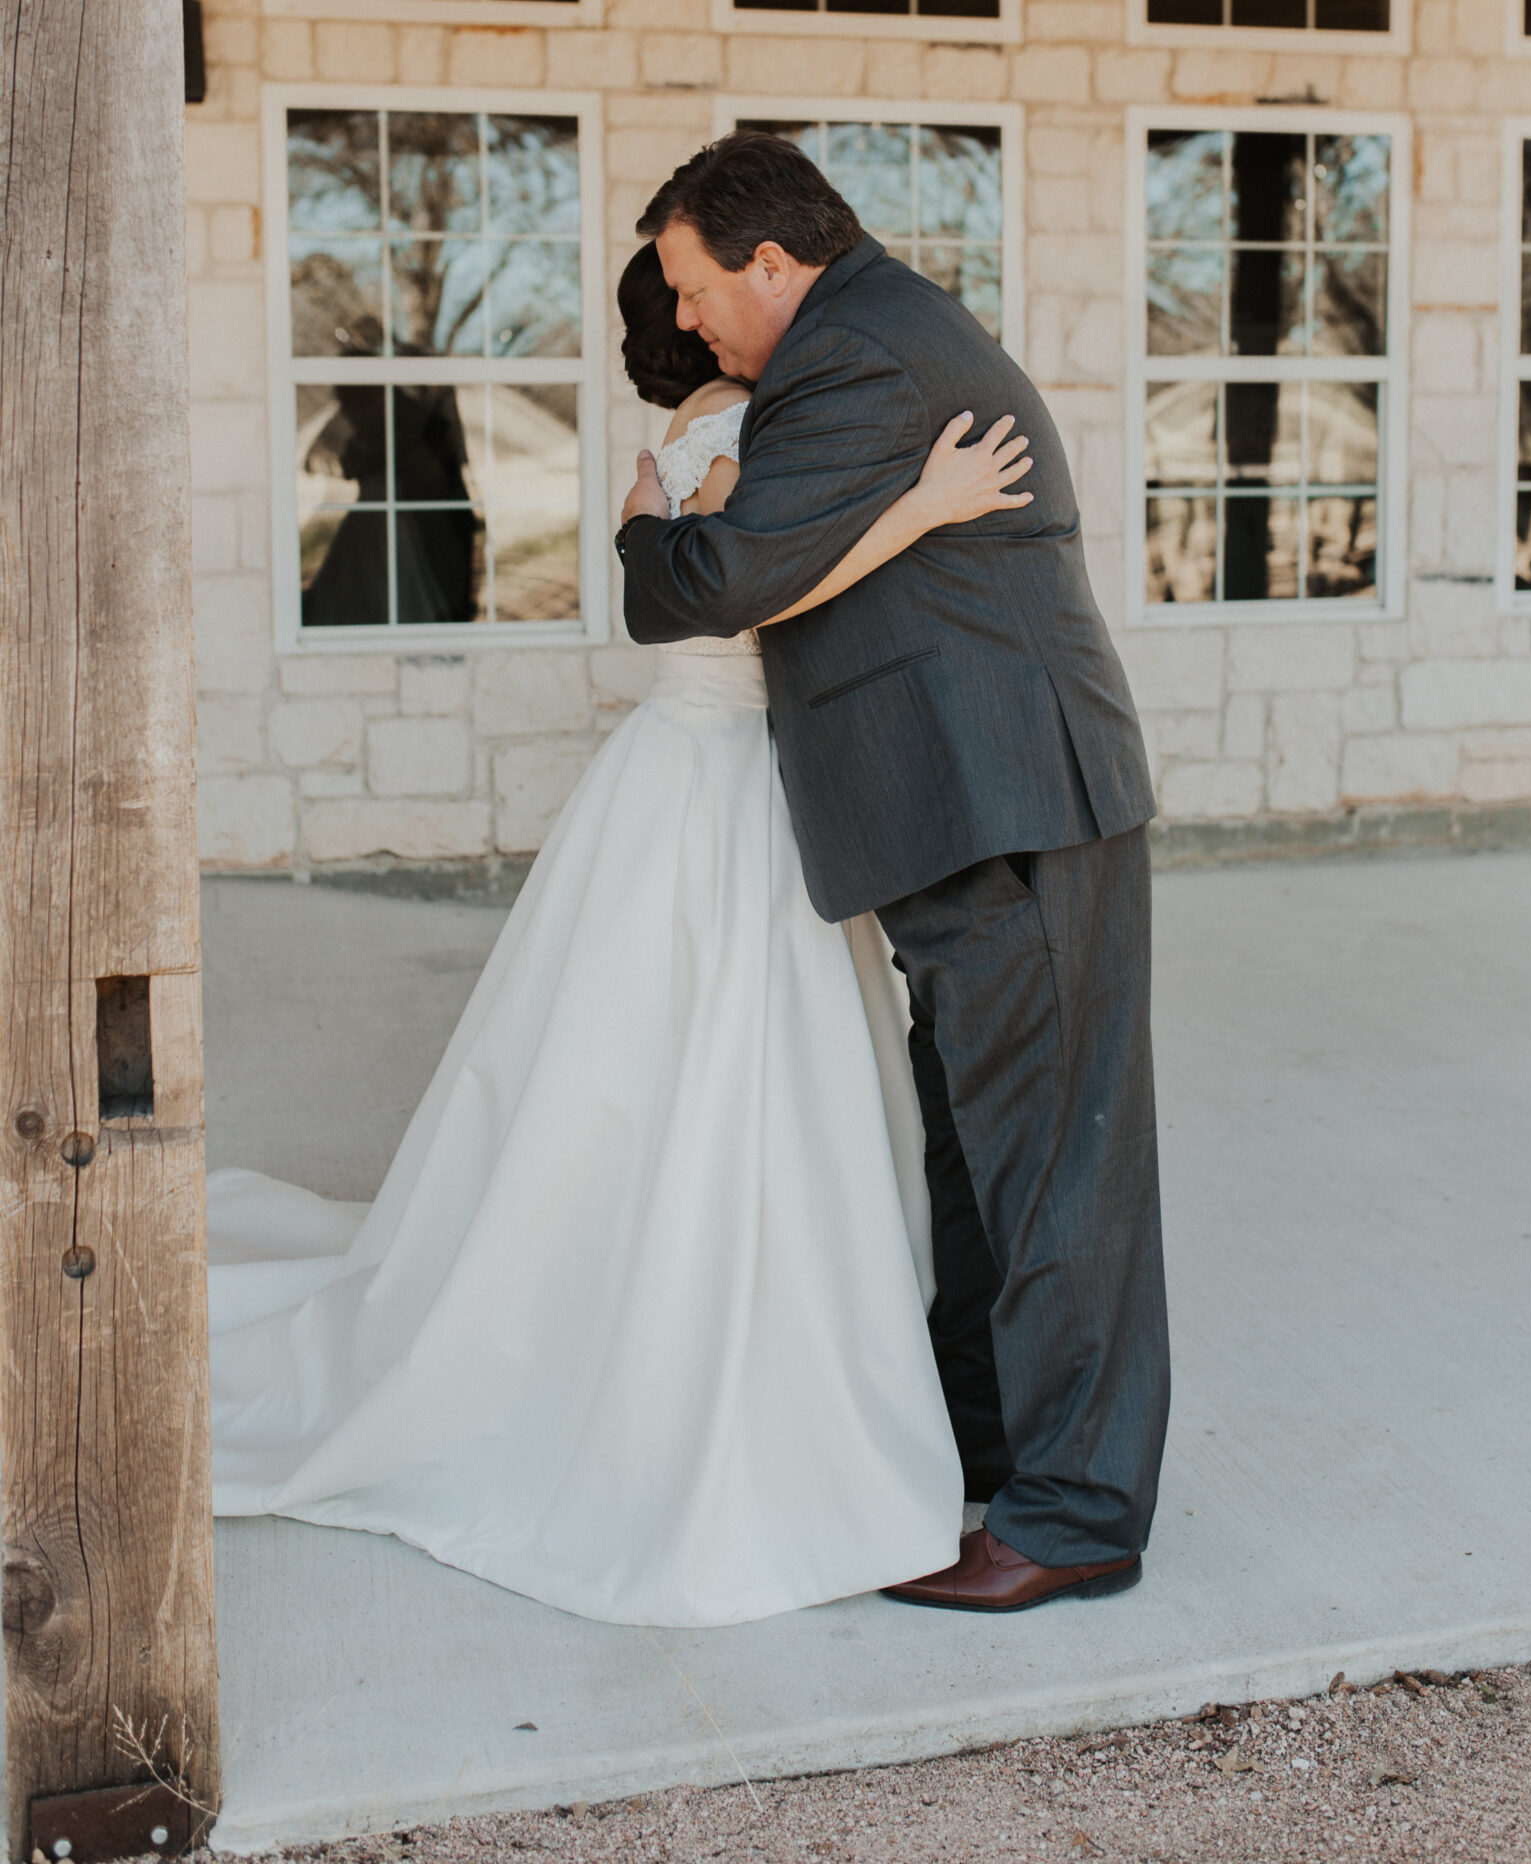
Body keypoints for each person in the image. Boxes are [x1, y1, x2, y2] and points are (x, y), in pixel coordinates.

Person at [203, 241, 1033, 1629]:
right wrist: (927, 502)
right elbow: (756, 582)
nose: (737, 319)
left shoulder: (713, 429)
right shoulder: (726, 428)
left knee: (709, 1068)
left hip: (730, 775)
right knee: (681, 1058)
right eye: (708, 302)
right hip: (714, 788)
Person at [619, 130, 1166, 1615]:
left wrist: (644, 531)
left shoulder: (852, 359)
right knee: (981, 1162)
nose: (684, 324)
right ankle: (987, 1445)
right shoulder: (866, 336)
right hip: (969, 806)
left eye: (692, 289)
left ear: (772, 265)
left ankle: (1074, 1515)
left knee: (1055, 1171)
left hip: (1010, 805)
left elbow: (722, 579)